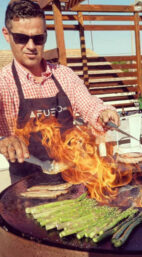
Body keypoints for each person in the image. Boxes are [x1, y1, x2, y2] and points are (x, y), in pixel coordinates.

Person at [0, 0, 120, 183]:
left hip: (73, 177)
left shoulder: (63, 75)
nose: (31, 46)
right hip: (27, 185)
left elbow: (88, 104)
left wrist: (103, 113)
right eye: (22, 38)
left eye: (38, 38)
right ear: (7, 35)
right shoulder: (3, 83)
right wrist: (2, 139)